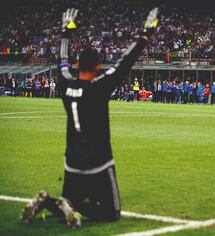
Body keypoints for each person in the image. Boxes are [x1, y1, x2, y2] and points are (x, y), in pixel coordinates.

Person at [20, 8, 159, 228]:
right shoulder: (99, 87)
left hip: (73, 161)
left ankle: (55, 203)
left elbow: (62, 60)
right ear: (97, 67)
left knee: (72, 197)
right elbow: (124, 62)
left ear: (77, 66)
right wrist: (145, 34)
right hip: (99, 162)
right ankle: (72, 206)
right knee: (111, 213)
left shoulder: (66, 83)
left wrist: (66, 32)